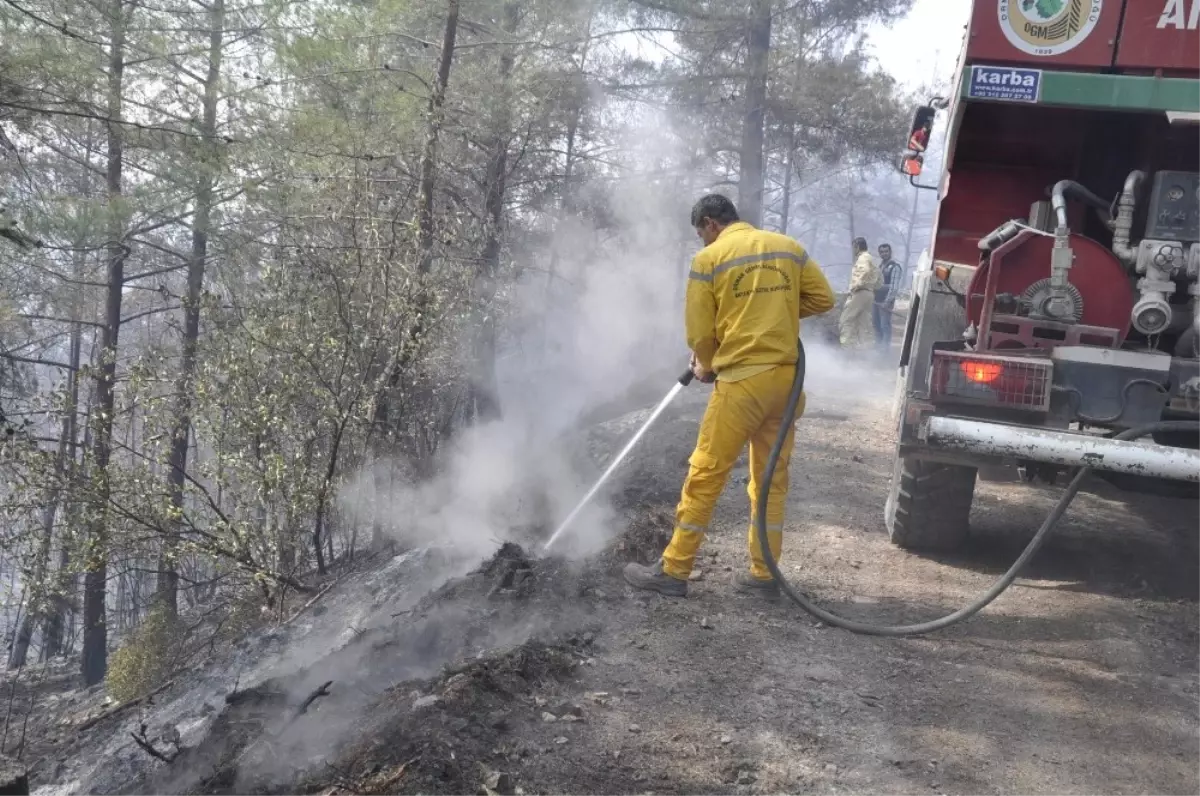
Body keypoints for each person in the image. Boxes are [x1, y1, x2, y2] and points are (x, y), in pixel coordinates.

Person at [622, 194, 835, 600]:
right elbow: (823, 299)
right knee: (770, 479)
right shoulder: (789, 248)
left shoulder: (710, 260)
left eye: (700, 232)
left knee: (705, 476)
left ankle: (674, 569)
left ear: (709, 223)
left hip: (742, 385)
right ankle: (763, 574)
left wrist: (706, 363)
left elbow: (701, 334)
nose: (702, 241)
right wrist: (776, 314)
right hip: (785, 386)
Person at [838, 237, 881, 350]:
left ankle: (846, 348)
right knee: (864, 324)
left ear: (857, 247)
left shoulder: (863, 258)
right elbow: (880, 280)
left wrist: (854, 287)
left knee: (846, 320)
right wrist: (872, 288)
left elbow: (864, 271)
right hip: (869, 293)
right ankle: (866, 352)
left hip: (860, 293)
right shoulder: (872, 259)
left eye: (853, 247)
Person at [873, 243, 904, 351]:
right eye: (882, 252)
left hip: (886, 302)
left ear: (890, 252)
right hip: (876, 301)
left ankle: (884, 354)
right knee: (876, 327)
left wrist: (886, 302)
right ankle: (878, 350)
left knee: (884, 327)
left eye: (886, 251)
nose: (884, 254)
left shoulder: (895, 267)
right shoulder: (880, 266)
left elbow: (894, 288)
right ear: (879, 253)